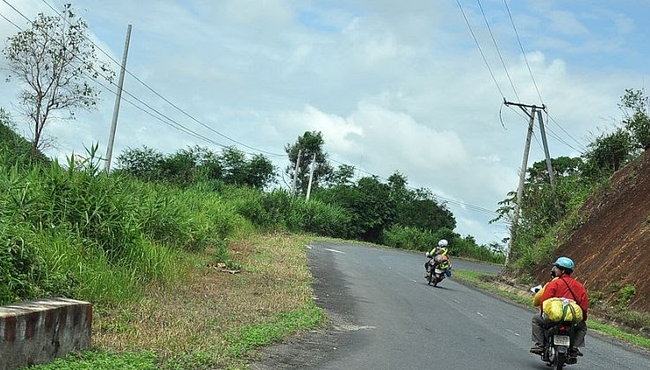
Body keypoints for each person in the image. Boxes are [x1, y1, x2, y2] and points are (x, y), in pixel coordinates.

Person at [530, 256, 589, 362]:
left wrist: (543, 313)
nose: (555, 270)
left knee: (536, 320)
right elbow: (583, 306)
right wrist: (582, 319)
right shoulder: (579, 286)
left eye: (556, 268)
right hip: (572, 319)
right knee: (582, 327)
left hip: (554, 318)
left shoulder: (554, 283)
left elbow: (545, 300)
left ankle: (540, 345)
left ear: (562, 270)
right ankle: (574, 348)